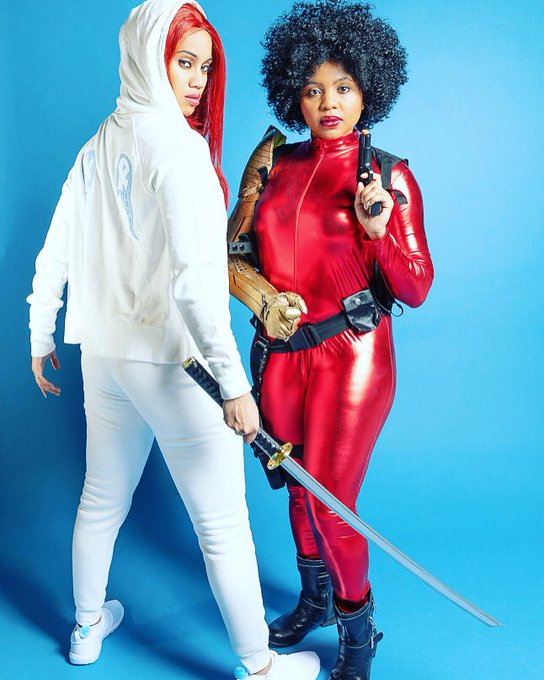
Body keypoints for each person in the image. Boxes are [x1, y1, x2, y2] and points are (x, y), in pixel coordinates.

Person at [27, 1, 321, 678]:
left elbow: (55, 251)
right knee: (221, 524)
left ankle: (86, 627)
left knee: (101, 498)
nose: (197, 81)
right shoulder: (180, 150)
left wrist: (42, 335)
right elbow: (195, 286)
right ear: (146, 56)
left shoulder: (99, 143)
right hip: (175, 365)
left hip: (105, 357)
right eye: (183, 62)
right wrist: (236, 386)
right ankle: (260, 666)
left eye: (205, 67)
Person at [227, 1, 434, 678]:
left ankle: (357, 630)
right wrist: (261, 299)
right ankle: (314, 598)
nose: (328, 103)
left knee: (331, 502)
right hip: (283, 353)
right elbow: (233, 256)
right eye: (313, 90)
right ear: (295, 93)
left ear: (368, 90)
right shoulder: (274, 164)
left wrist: (379, 233)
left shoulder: (389, 176)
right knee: (295, 485)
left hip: (353, 353)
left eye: (343, 87)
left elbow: (415, 287)